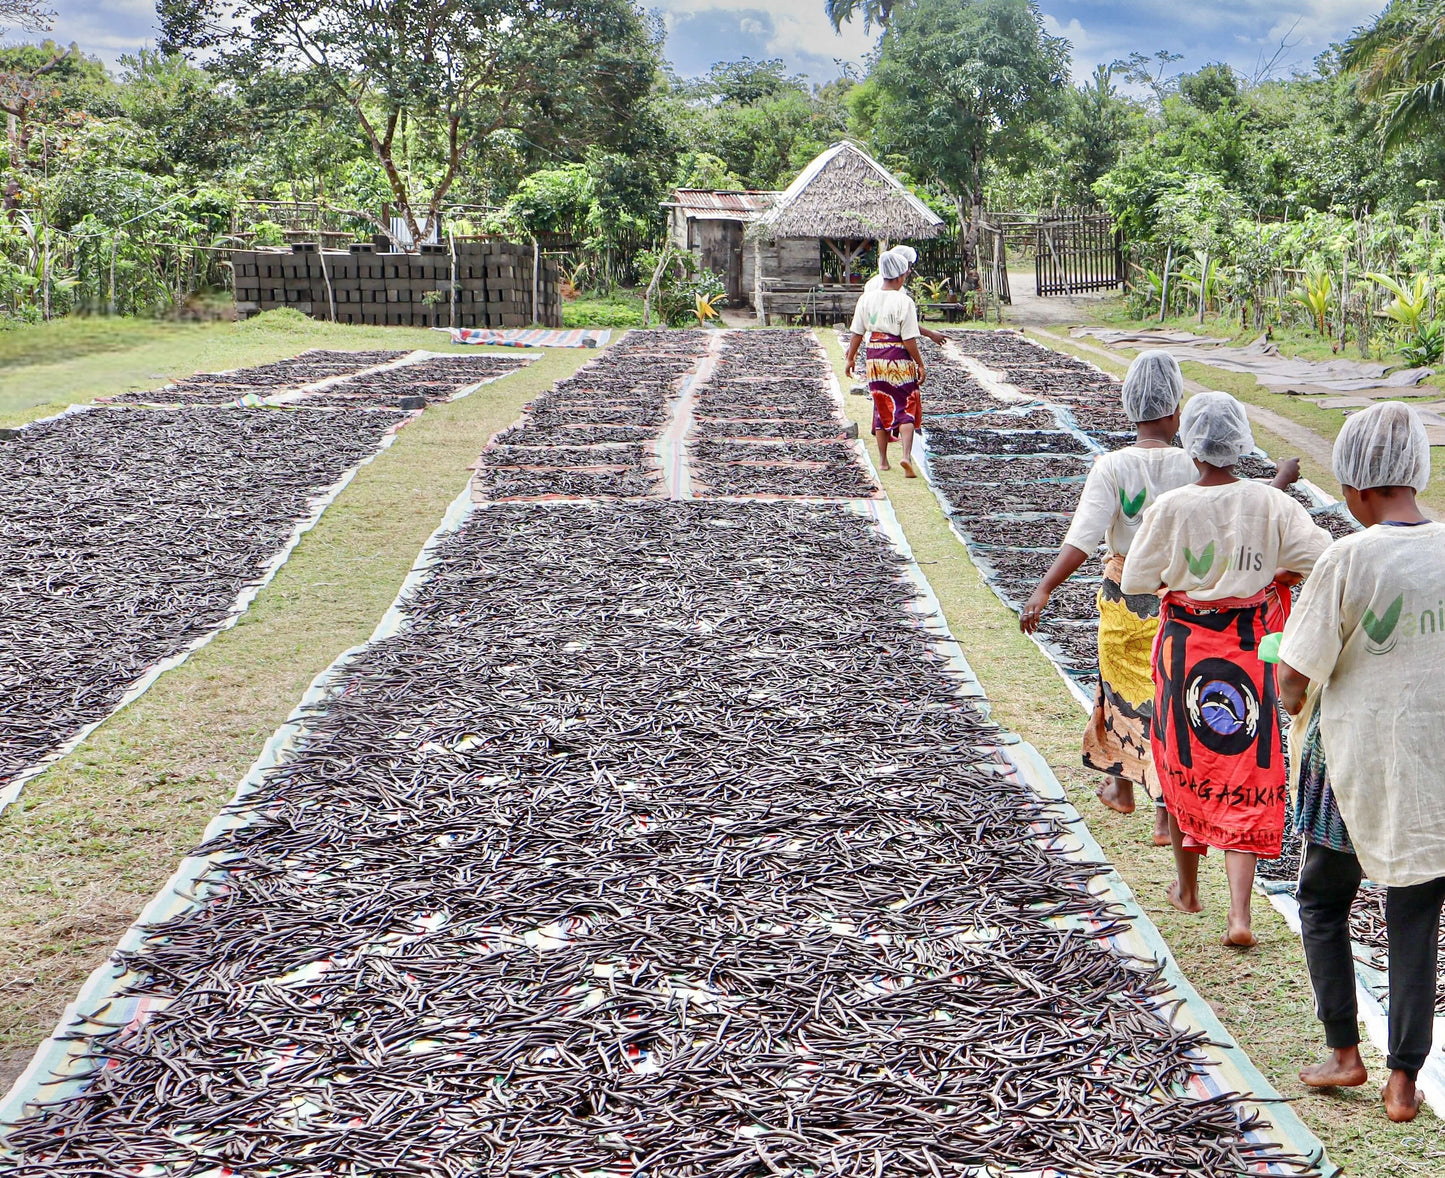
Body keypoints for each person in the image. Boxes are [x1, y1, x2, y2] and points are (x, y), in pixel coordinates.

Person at [1277, 402, 1445, 1124]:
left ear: (1354, 488)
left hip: (1350, 759)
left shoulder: (1348, 557)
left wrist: (1292, 697)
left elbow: (1292, 679)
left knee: (1321, 897)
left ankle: (1343, 1052)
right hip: (1434, 761)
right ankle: (1402, 1082)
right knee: (1414, 910)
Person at [1121, 391, 1329, 948]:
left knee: (1185, 756)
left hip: (1186, 648)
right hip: (1250, 648)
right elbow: (1321, 557)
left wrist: (1179, 582)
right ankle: (1240, 915)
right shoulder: (1272, 503)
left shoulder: (1172, 507)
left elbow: (1136, 580)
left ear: (1192, 448)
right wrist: (1275, 572)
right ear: (1240, 445)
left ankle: (1187, 891)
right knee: (1245, 765)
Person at [1021, 352, 1196, 847]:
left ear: (1130, 407)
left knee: (1122, 693)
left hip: (1125, 599)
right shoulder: (1193, 465)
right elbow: (1226, 512)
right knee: (1168, 701)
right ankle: (1153, 806)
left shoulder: (1112, 467)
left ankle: (1128, 791)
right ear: (1175, 409)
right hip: (1179, 605)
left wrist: (1044, 588)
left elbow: (1083, 537)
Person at [844, 248, 927, 478]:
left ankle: (882, 461)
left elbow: (857, 333)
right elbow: (908, 338)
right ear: (900, 276)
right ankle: (905, 456)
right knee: (907, 403)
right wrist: (919, 363)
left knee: (881, 404)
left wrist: (850, 358)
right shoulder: (904, 301)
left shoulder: (866, 298)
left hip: (874, 357)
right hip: (897, 356)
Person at [864, 246, 947, 347]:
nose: (910, 270)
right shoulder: (898, 293)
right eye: (909, 266)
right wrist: (931, 335)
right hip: (892, 346)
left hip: (873, 344)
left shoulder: (872, 283)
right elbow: (905, 325)